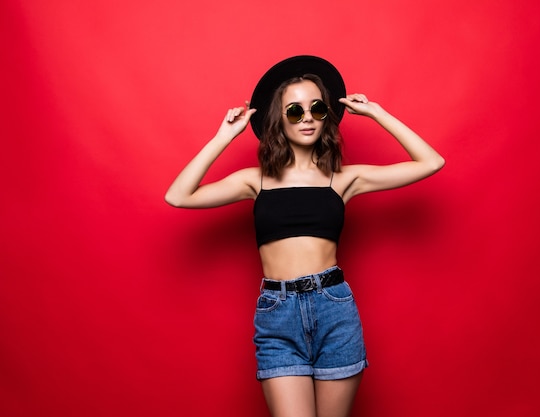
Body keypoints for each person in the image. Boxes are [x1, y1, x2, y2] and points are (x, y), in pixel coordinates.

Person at [165, 55, 445, 417]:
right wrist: (224, 136)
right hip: (277, 314)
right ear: (279, 120)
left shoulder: (343, 179)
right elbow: (178, 195)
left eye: (316, 108)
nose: (308, 117)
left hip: (334, 309)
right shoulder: (256, 180)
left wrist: (377, 113)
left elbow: (431, 162)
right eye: (295, 111)